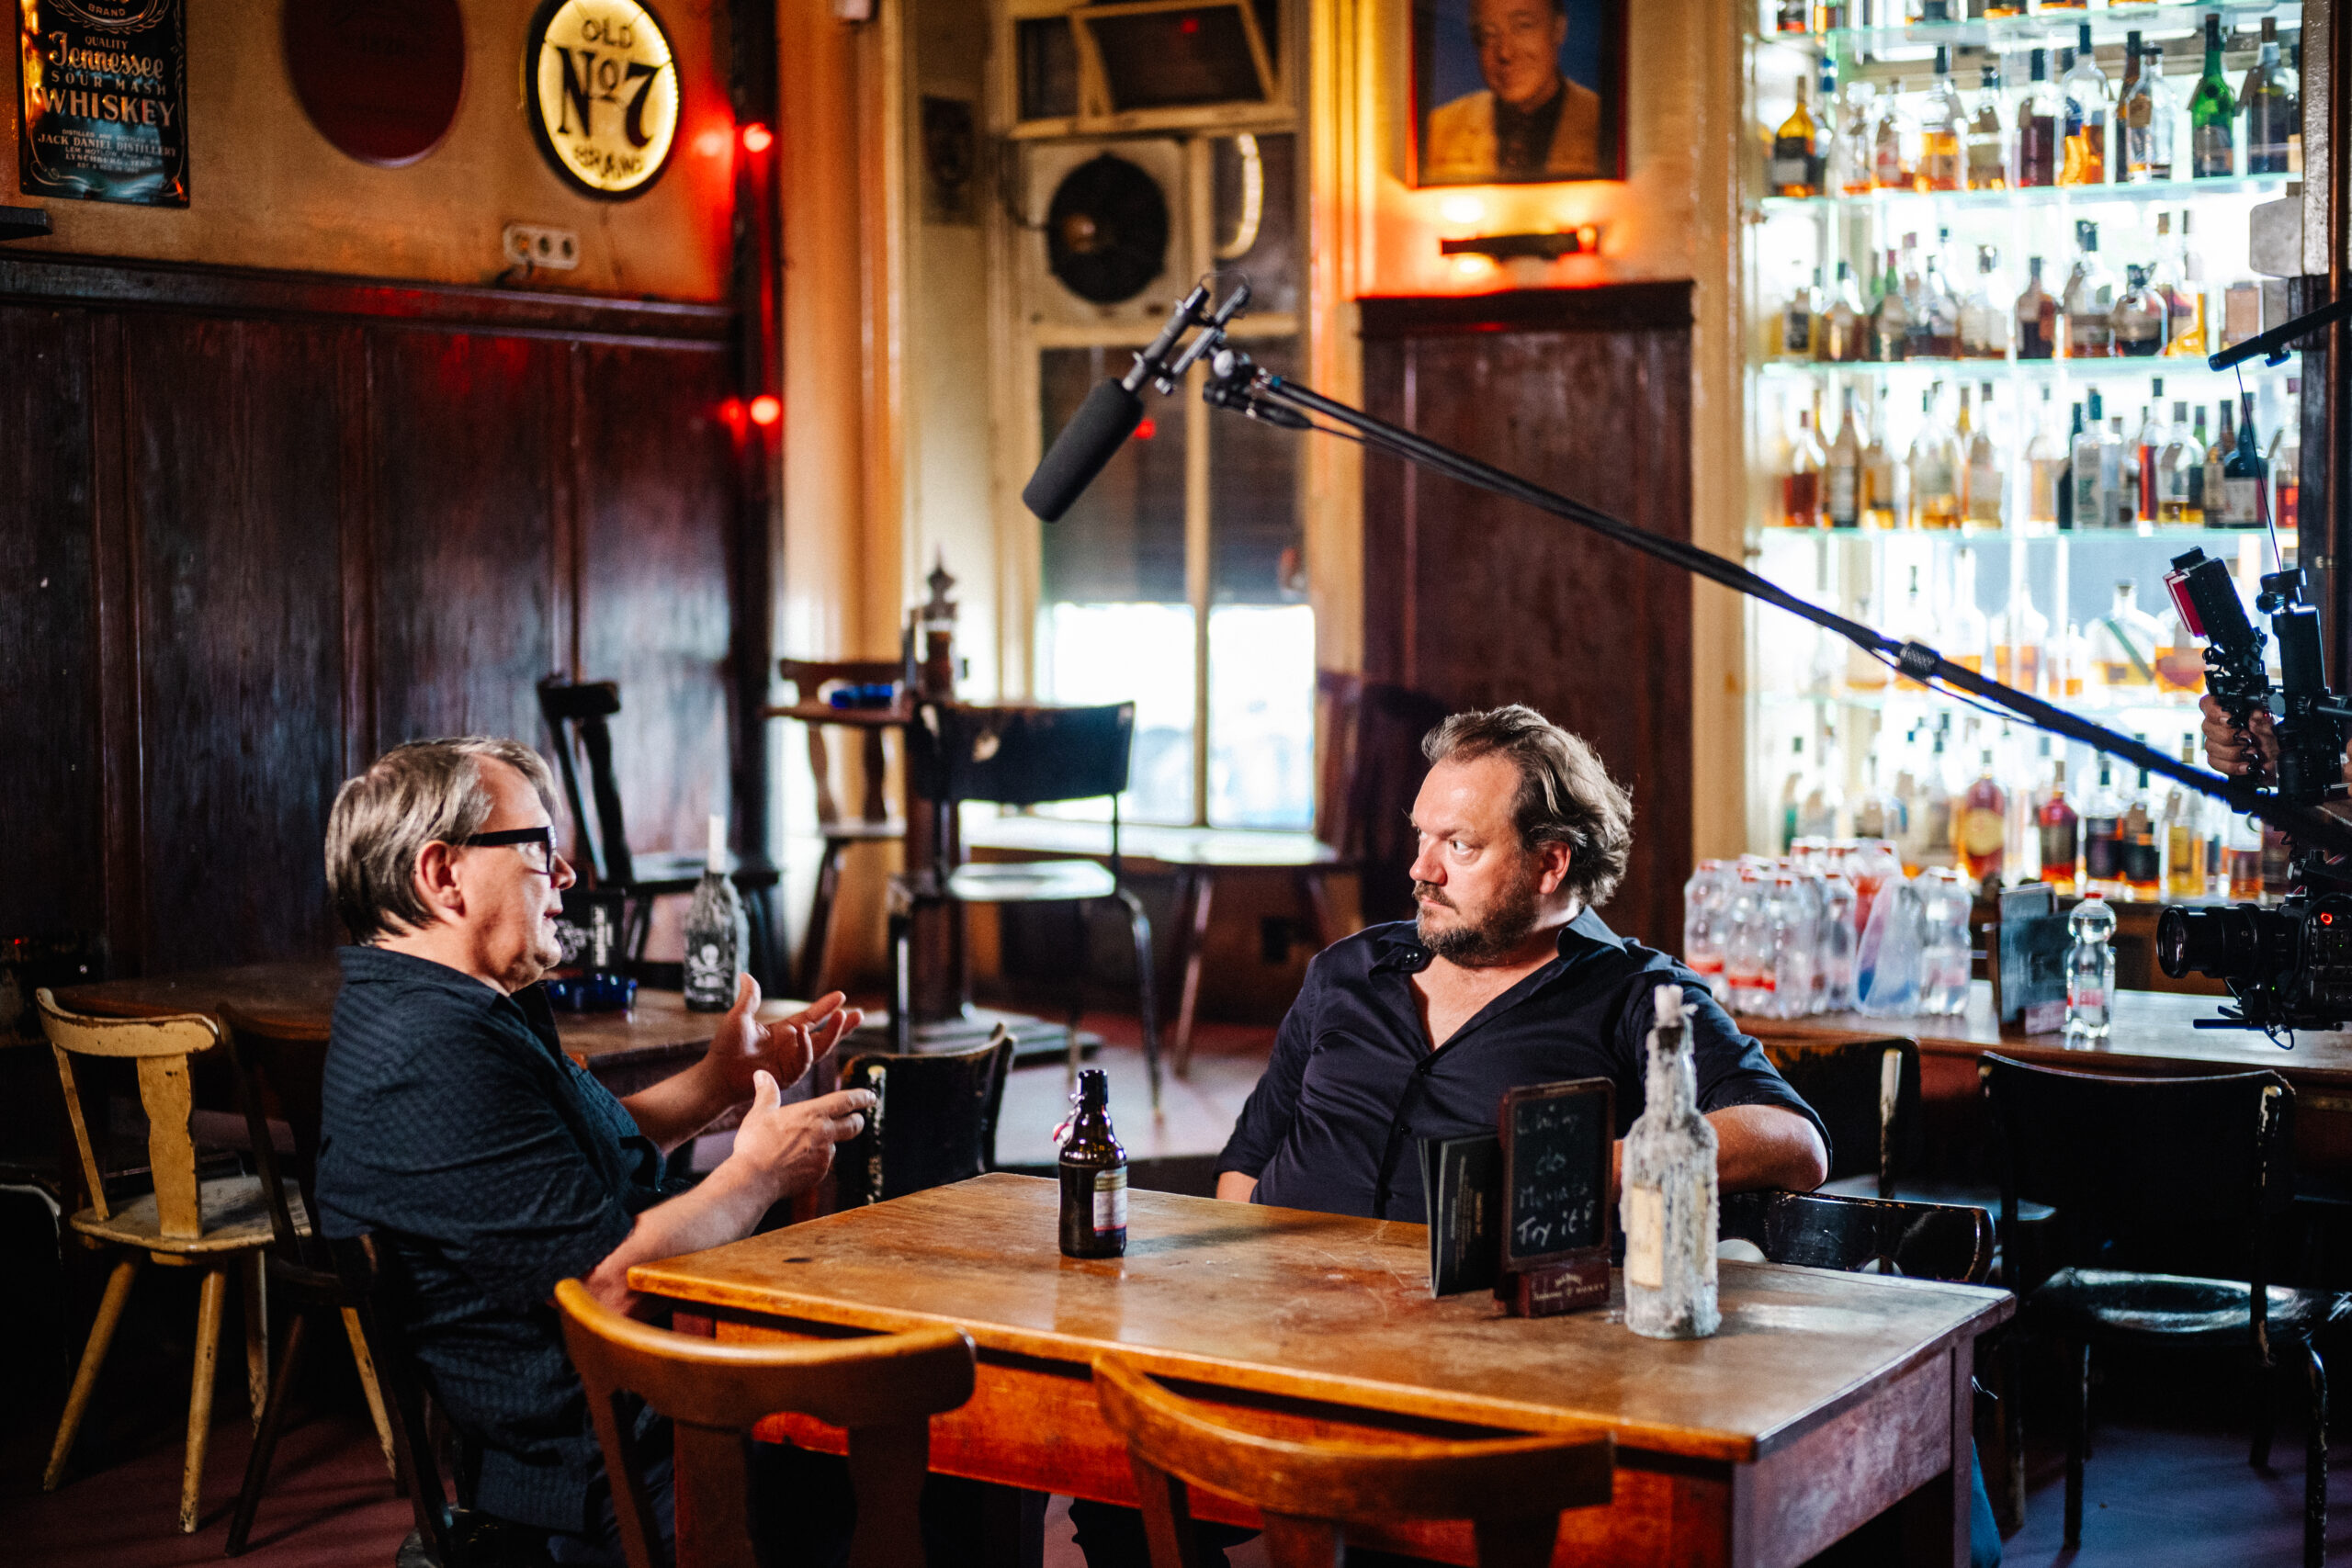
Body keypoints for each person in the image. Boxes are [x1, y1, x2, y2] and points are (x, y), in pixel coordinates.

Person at [1069, 706, 1837, 1568]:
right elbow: (1245, 1164)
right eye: (1421, 836)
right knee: (1108, 1479)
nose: (1420, 868)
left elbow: (1795, 1139)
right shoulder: (1347, 971)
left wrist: (1612, 1163)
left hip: (1479, 1381)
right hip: (1281, 1344)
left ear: (1552, 863)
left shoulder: (1632, 994)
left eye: (1458, 846)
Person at [314, 737, 876, 1565]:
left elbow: (582, 1148)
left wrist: (724, 1077)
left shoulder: (458, 1007)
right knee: (961, 1452)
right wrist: (756, 1171)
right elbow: (606, 1284)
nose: (567, 873)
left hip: (663, 1394)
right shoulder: (428, 1060)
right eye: (539, 847)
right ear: (443, 875)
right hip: (629, 1459)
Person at [1422, 0, 1604, 184]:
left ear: (1558, 28)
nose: (1505, 53)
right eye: (1489, 34)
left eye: (1523, 26)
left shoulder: (1603, 123)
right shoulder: (1440, 129)